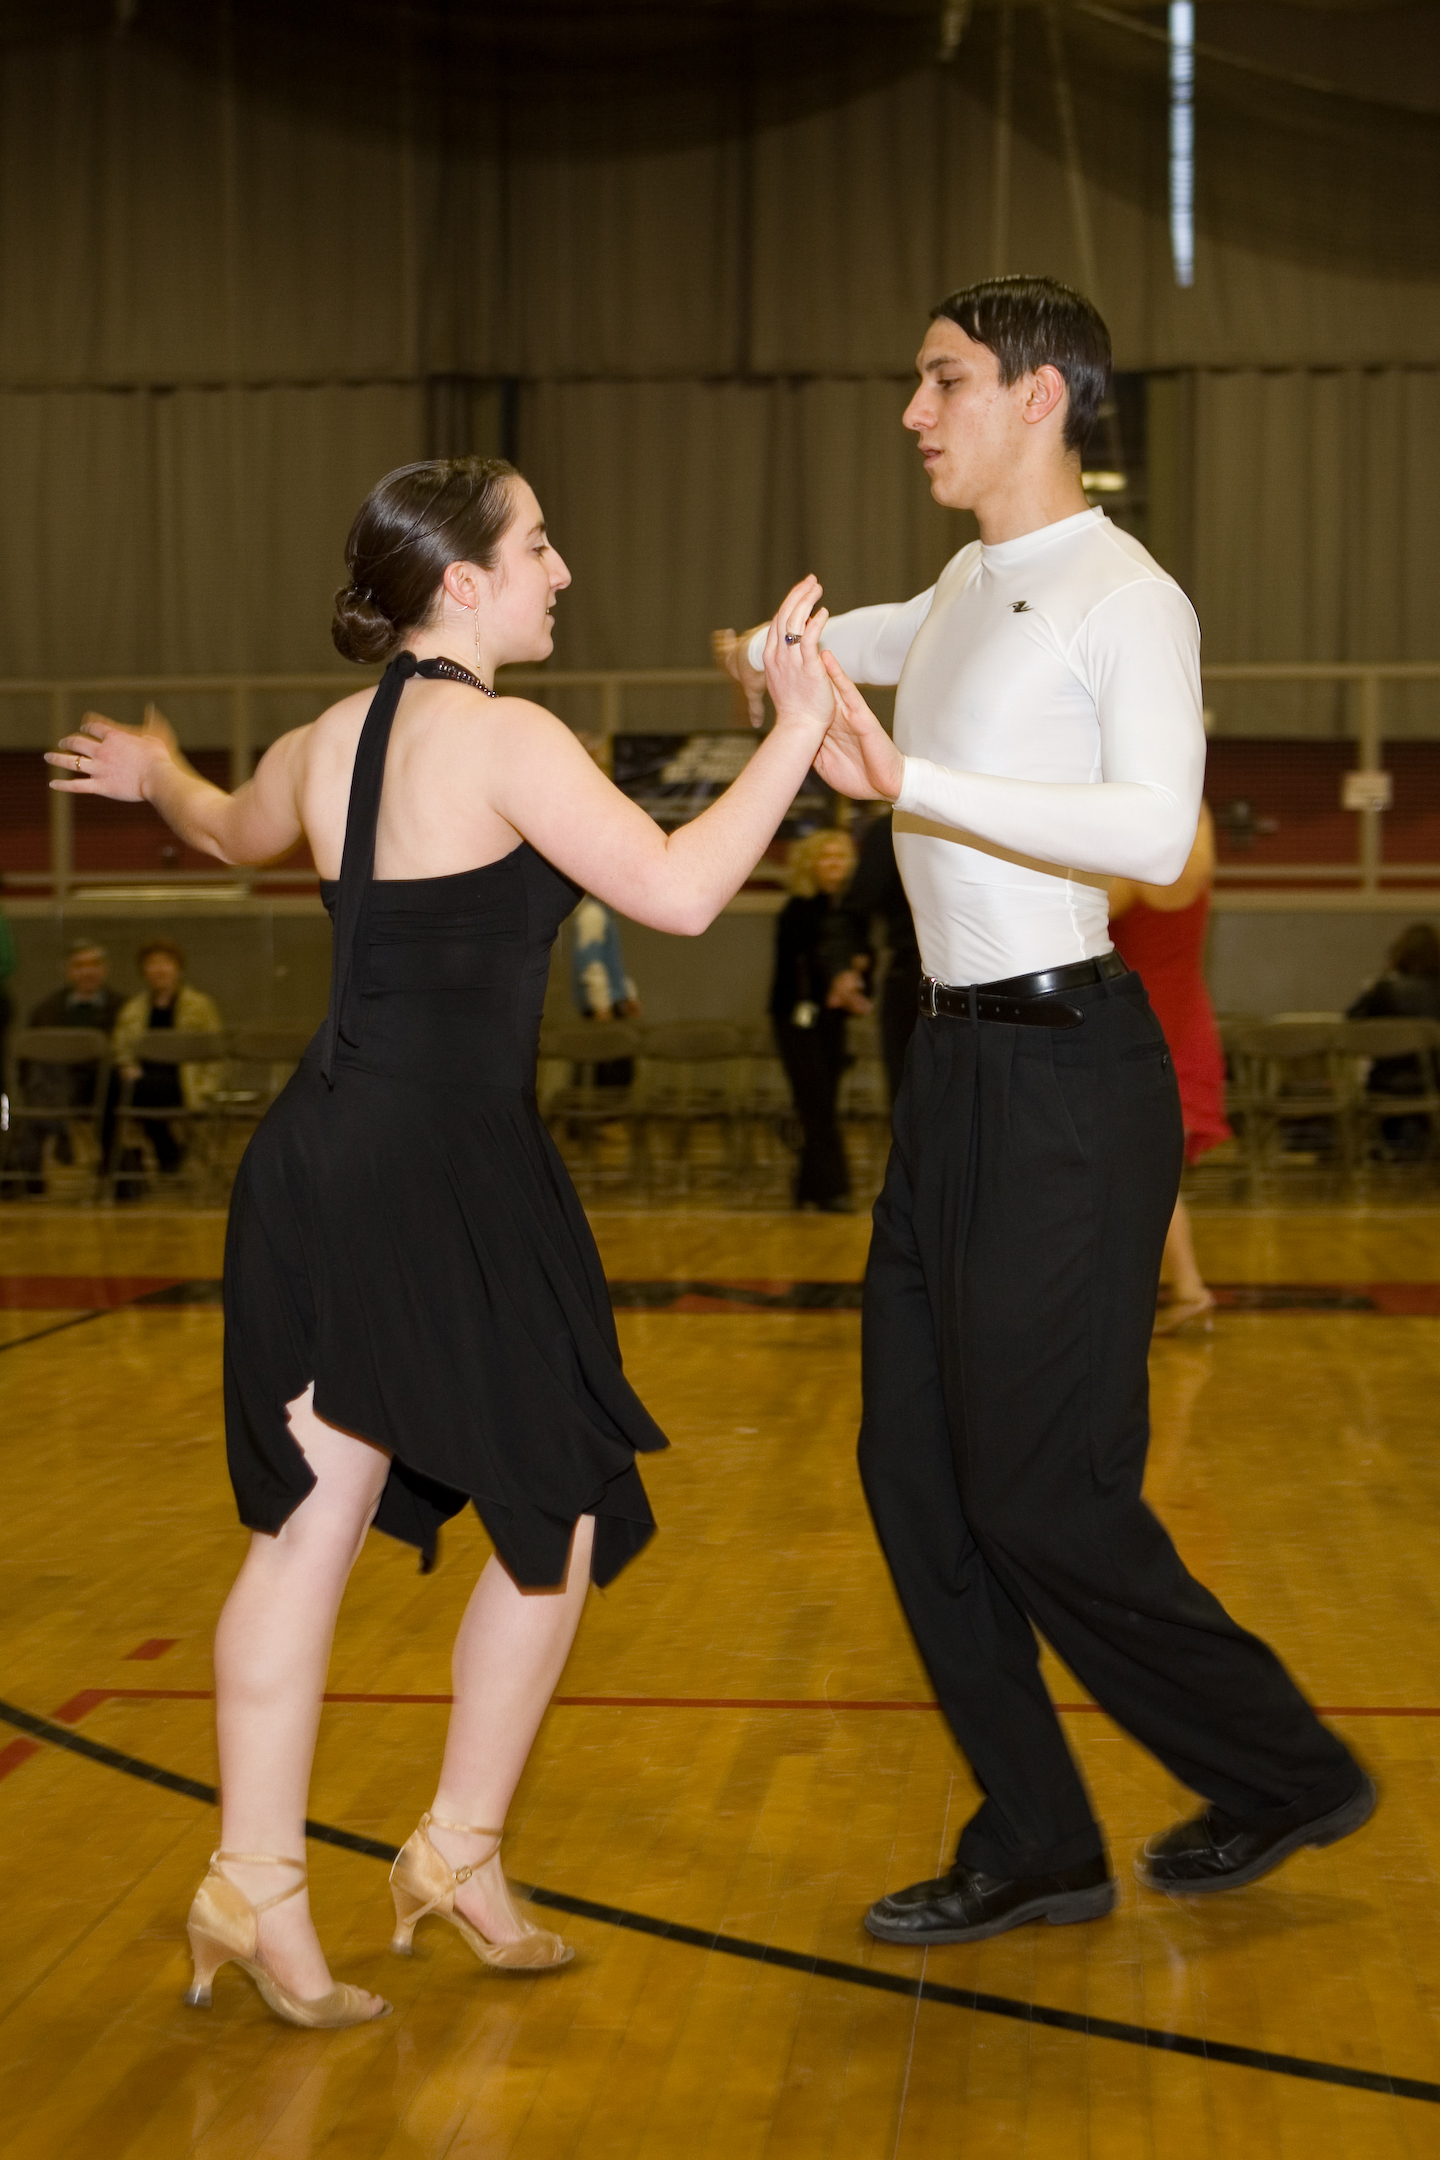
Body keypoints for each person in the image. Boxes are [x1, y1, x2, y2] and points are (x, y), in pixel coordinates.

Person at [50, 455, 840, 2028]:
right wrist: (801, 728)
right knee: (562, 1509)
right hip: (440, 1172)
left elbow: (224, 830)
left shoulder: (323, 741)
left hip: (316, 1159)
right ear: (464, 581)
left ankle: (259, 1883)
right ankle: (456, 1851)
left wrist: (158, 774)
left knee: (308, 1532)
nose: (563, 569)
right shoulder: (505, 736)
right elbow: (681, 893)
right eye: (540, 545)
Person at [719, 275, 1372, 1945]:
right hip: (954, 1076)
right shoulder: (964, 583)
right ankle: (1037, 1837)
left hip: (1072, 1078)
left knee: (1041, 1493)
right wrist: (774, 658)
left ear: (1039, 396)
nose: (913, 411)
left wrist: (905, 779)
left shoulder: (1125, 598)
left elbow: (1154, 833)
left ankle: (1284, 1771)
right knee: (911, 1469)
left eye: (941, 380)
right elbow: (854, 651)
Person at [1109, 803, 1232, 1334]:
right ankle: (1185, 1290)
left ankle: (1186, 1290)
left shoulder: (1121, 871)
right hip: (1188, 1017)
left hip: (1135, 1021)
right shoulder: (1196, 858)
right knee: (1151, 1170)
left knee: (1140, 1172)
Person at [769, 827, 866, 1212]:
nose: (834, 864)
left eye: (840, 856)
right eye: (826, 857)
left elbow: (864, 956)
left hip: (832, 1019)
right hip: (798, 1020)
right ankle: (832, 1190)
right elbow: (798, 968)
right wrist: (833, 982)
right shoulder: (798, 910)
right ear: (810, 864)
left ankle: (807, 1187)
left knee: (822, 1104)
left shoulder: (850, 911)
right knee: (817, 1104)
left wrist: (857, 977)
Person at [4, 940, 126, 1193]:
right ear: (68, 971)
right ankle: (38, 1158)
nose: (87, 971)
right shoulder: (45, 1009)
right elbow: (28, 1062)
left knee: (53, 1089)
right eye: (80, 965)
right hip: (53, 1085)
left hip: (100, 1088)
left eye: (94, 964)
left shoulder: (124, 1008)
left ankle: (27, 1170)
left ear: (105, 969)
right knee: (42, 1082)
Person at [107, 938, 224, 1184]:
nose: (159, 969)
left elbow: (216, 1053)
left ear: (178, 967)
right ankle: (160, 1156)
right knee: (115, 1087)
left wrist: (207, 1089)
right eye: (152, 963)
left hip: (185, 1081)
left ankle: (125, 1165)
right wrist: (126, 1066)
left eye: (166, 963)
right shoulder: (132, 1009)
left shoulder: (200, 1005)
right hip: (142, 1079)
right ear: (143, 970)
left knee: (120, 1093)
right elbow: (121, 1048)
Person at [841, 809, 919, 1106]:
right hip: (1002, 975)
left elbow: (861, 902)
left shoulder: (895, 825)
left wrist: (855, 962)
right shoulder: (993, 814)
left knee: (909, 1091)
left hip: (918, 971)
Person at [1346, 922, 1440, 1156]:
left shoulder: (1384, 990)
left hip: (1388, 1083)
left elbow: (1350, 1027)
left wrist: (1377, 983)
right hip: (1435, 1082)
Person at [570, 894, 640, 1087]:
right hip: (604, 1007)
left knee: (617, 1069)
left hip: (611, 1002)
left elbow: (614, 965)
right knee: (607, 1072)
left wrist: (628, 995)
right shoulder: (593, 914)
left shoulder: (604, 915)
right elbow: (591, 963)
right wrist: (601, 1005)